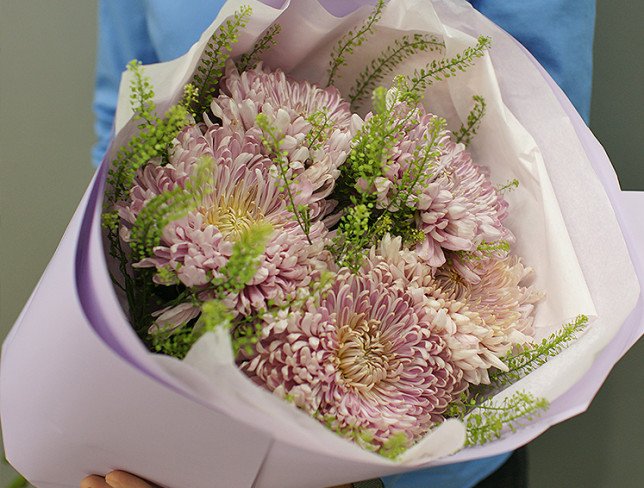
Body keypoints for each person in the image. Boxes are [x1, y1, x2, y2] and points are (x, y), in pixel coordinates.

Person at [85, 1, 596, 487]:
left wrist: (323, 462)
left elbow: (542, 153)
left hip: (425, 467)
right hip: (188, 440)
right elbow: (122, 119)